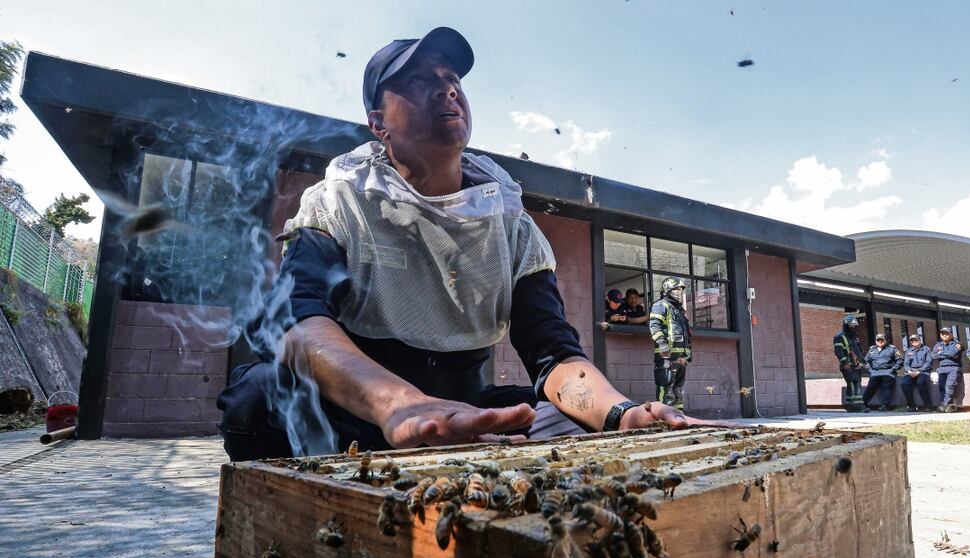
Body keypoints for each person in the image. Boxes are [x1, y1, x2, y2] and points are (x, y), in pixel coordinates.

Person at [217, 27, 711, 460]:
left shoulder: (511, 223)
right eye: (420, 81)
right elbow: (298, 323)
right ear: (377, 123)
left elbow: (554, 353)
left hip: (467, 411)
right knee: (258, 401)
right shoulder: (337, 202)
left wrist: (621, 414)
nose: (448, 89)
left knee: (578, 426)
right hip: (361, 410)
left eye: (452, 80)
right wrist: (401, 407)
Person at [649, 278, 691, 409]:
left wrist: (688, 355)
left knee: (678, 389)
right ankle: (664, 419)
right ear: (667, 290)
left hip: (681, 358)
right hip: (666, 356)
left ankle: (678, 417)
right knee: (666, 387)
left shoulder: (680, 311)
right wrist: (662, 343)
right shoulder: (660, 305)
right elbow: (654, 325)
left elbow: (686, 334)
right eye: (675, 290)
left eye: (680, 290)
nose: (678, 293)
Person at [833, 314, 868, 412]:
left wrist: (863, 362)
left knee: (856, 383)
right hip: (848, 365)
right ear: (846, 325)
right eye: (851, 325)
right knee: (853, 383)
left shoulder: (853, 337)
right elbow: (838, 351)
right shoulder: (839, 336)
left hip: (856, 365)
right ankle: (858, 406)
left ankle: (850, 406)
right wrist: (845, 363)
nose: (853, 327)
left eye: (854, 325)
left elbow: (858, 351)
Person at [862, 333, 902, 411]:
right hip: (875, 372)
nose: (880, 341)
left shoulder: (892, 349)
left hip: (888, 372)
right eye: (878, 340)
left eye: (882, 340)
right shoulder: (872, 349)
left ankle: (885, 406)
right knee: (870, 388)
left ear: (885, 340)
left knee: (887, 388)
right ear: (876, 341)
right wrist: (870, 370)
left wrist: (893, 369)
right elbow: (866, 361)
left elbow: (900, 360)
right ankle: (863, 404)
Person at [931, 327, 964, 412]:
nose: (945, 335)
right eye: (943, 334)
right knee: (942, 387)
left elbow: (954, 353)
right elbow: (933, 355)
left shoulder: (957, 344)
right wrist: (948, 354)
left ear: (951, 334)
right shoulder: (938, 345)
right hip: (941, 368)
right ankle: (948, 405)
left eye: (947, 334)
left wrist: (941, 353)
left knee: (949, 386)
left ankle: (944, 405)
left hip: (953, 367)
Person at [901, 334, 934, 412]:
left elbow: (928, 362)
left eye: (916, 340)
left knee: (921, 382)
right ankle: (911, 406)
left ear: (920, 340)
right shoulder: (909, 350)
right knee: (904, 383)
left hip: (923, 372)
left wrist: (920, 371)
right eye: (912, 340)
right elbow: (906, 363)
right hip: (911, 372)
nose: (914, 341)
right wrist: (909, 371)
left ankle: (928, 405)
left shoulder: (926, 349)